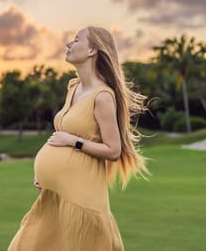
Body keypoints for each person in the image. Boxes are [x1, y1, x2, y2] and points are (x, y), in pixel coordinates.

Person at [8, 26, 149, 251]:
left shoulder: (102, 96)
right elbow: (61, 133)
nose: (68, 45)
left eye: (76, 40)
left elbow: (113, 150)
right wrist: (42, 173)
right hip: (54, 196)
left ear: (93, 50)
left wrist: (75, 142)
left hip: (81, 198)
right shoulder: (73, 87)